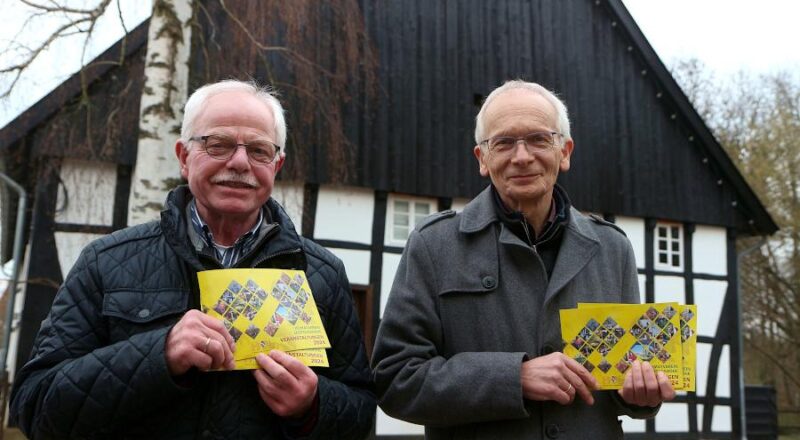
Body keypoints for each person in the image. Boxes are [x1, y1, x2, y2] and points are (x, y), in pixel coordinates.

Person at [10, 80, 375, 439]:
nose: (240, 162)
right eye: (218, 145)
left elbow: (360, 413)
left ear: (276, 167)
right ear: (184, 157)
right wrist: (158, 354)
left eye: (260, 151)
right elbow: (36, 407)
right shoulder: (105, 261)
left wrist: (312, 405)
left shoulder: (322, 273)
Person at [371, 80, 675, 439]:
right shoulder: (434, 245)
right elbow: (395, 379)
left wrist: (639, 395)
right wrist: (514, 378)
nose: (521, 156)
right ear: (483, 159)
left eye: (537, 139)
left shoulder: (613, 248)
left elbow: (622, 375)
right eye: (503, 143)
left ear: (564, 151)